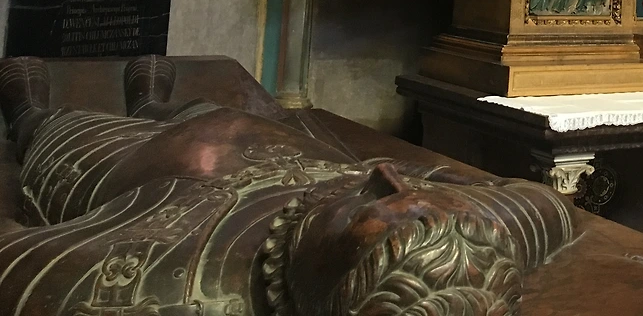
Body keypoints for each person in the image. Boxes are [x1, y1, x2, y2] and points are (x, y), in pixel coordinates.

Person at [0, 55, 574, 316]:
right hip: (267, 138)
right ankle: (152, 100)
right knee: (202, 112)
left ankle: (27, 108)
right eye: (401, 186)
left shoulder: (167, 283)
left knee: (57, 135)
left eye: (372, 206)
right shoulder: (480, 244)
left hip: (130, 161)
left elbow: (15, 255)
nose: (384, 174)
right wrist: (440, 181)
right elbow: (543, 201)